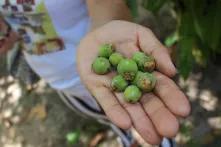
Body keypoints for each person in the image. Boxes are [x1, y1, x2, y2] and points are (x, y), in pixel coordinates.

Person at [0, 0, 190, 146]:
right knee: (112, 119)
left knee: (143, 120)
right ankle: (127, 140)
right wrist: (7, 30)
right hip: (61, 81)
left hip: (93, 70)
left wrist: (107, 26)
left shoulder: (122, 69)